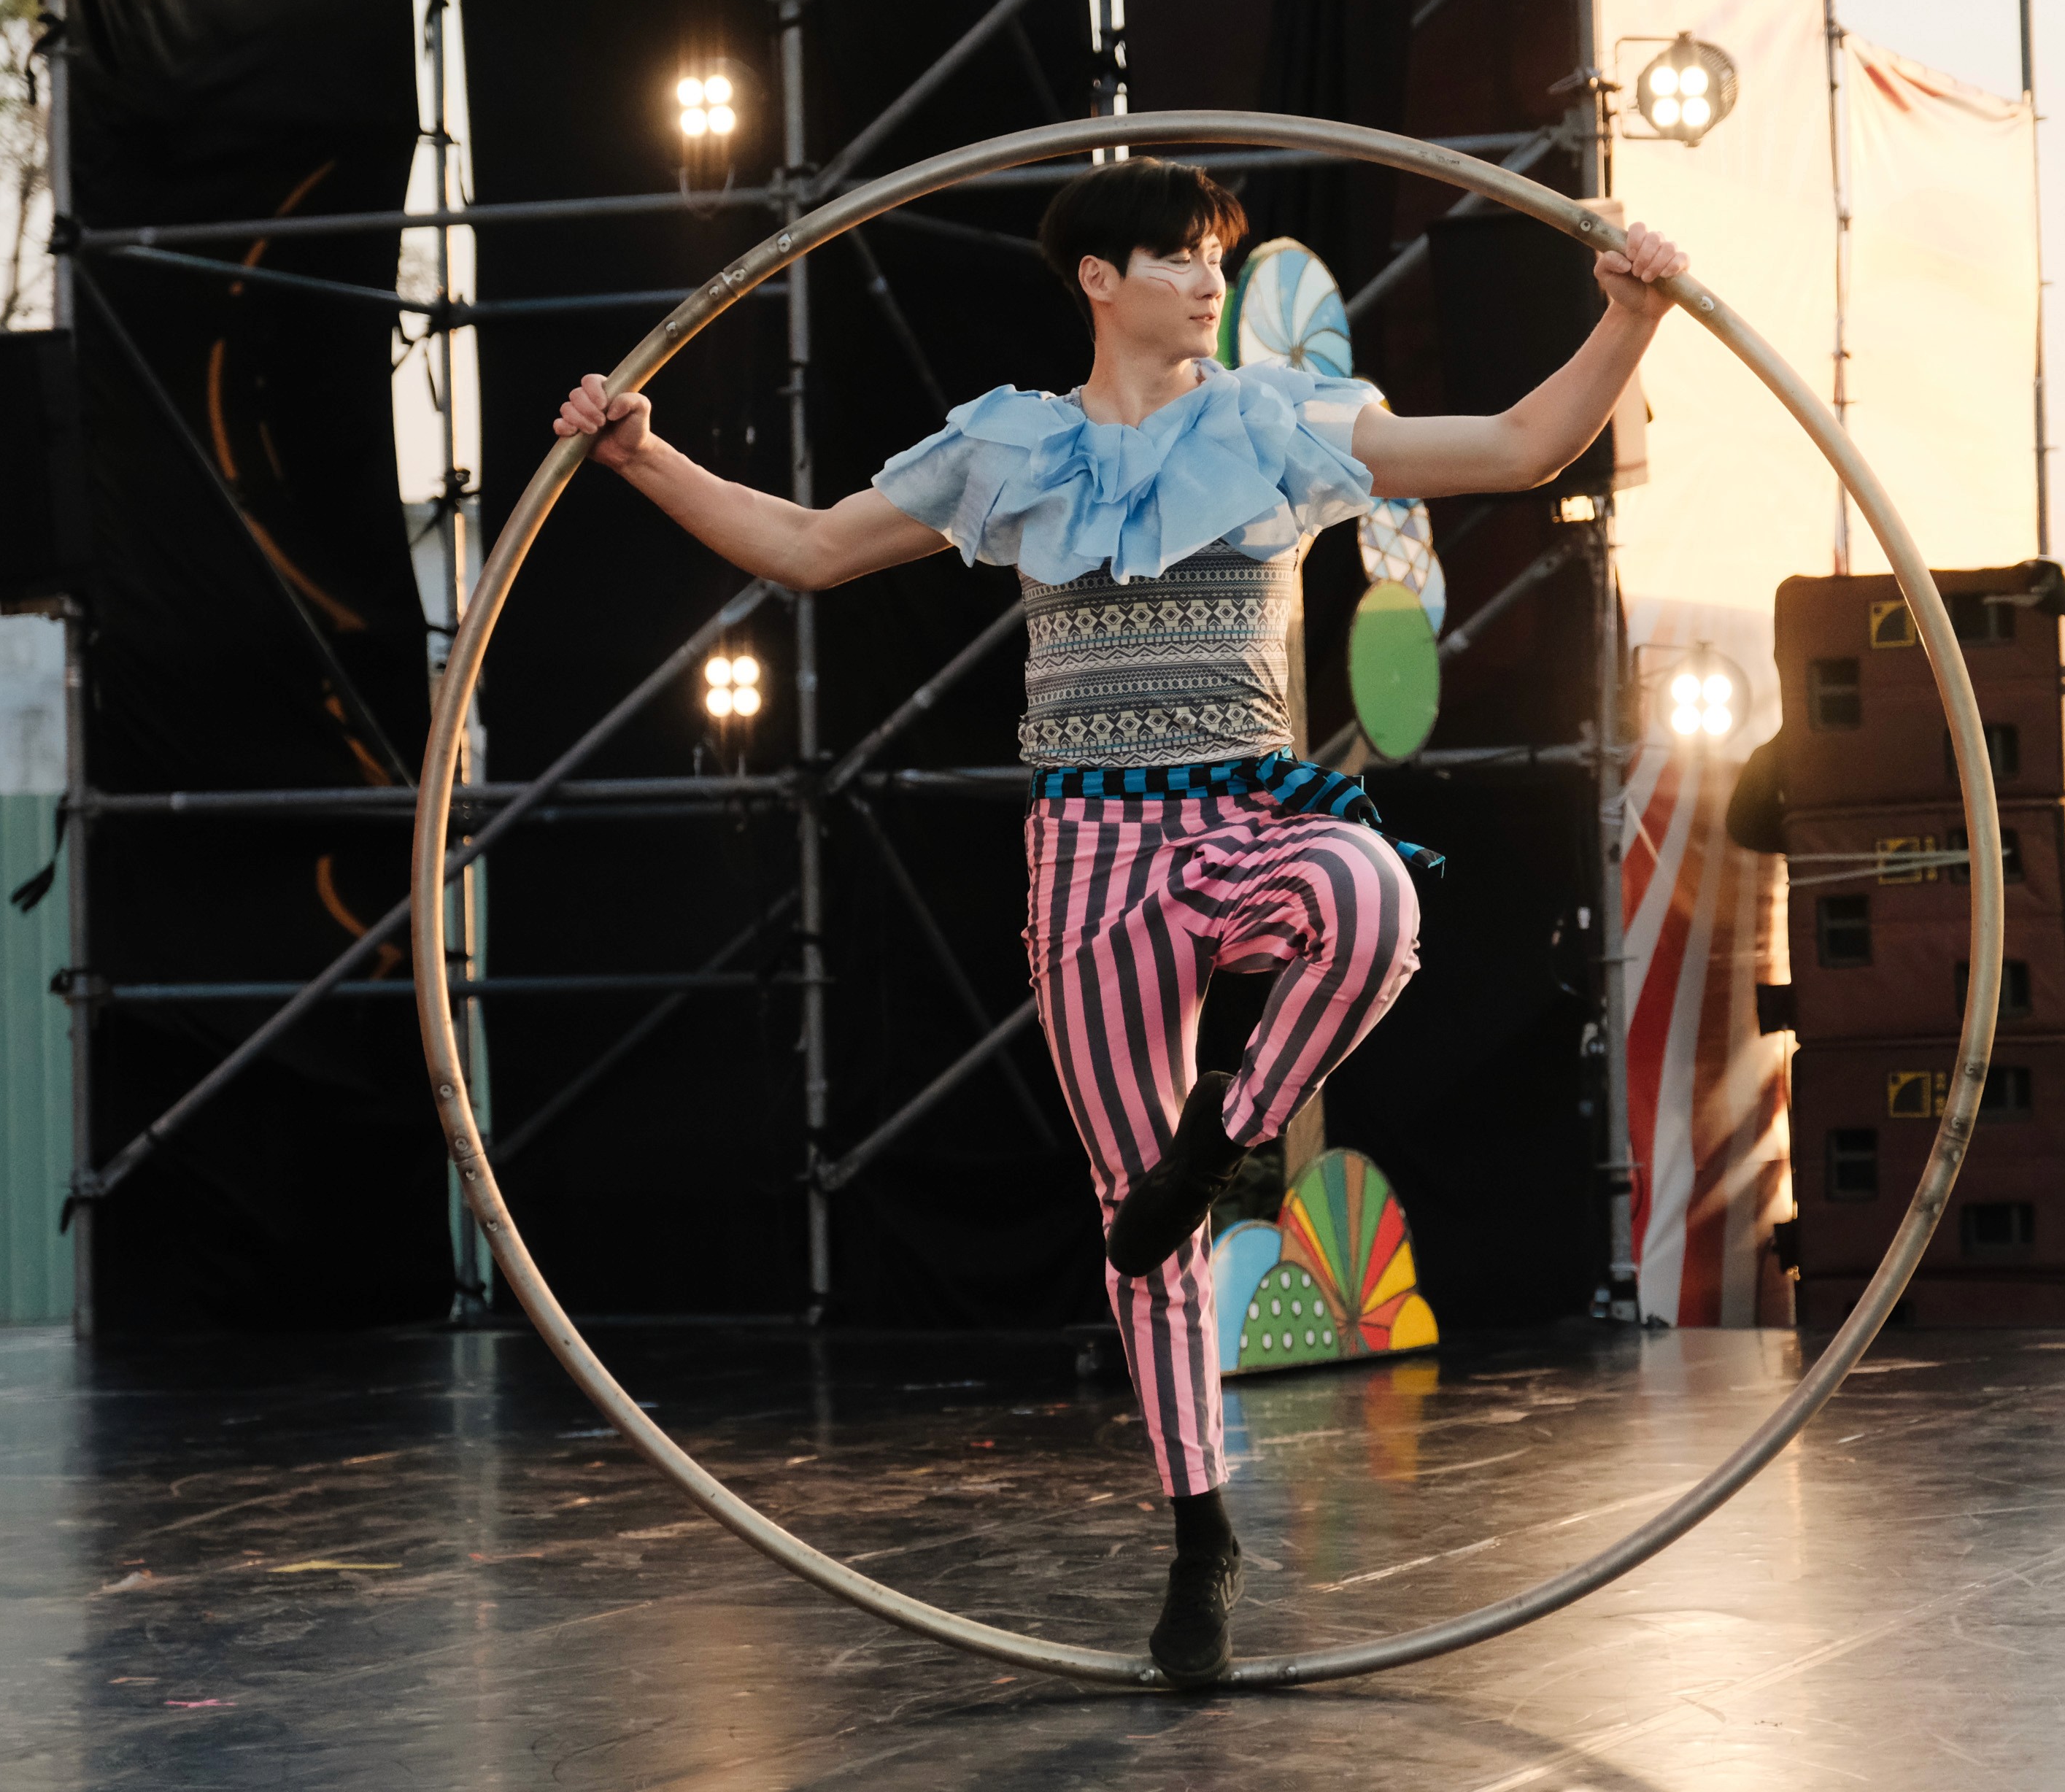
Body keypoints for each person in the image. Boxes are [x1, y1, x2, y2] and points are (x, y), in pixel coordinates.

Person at [553, 158, 1684, 1684]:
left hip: (1248, 815)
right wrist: (642, 459)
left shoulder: (1277, 421)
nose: (1210, 280)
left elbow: (1521, 444)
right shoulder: (1010, 447)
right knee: (1130, 1224)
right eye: (1178, 256)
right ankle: (1202, 1533)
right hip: (1092, 851)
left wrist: (1629, 320)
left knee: (1372, 900)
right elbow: (810, 548)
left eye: (1217, 256)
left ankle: (1219, 1143)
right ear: (1099, 279)